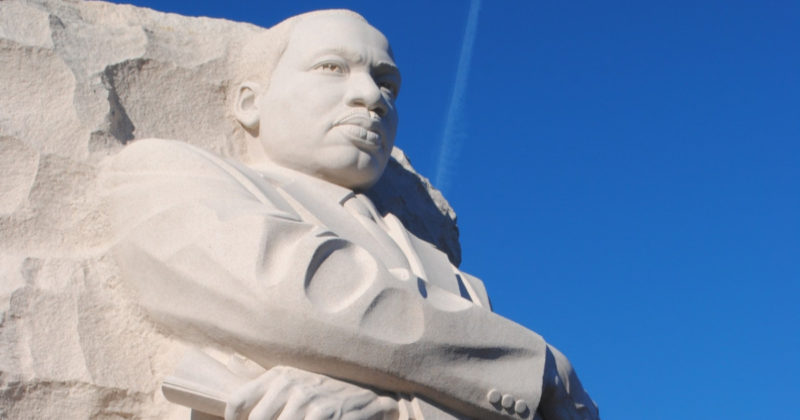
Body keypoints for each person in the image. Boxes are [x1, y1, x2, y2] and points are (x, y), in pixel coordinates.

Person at [101, 9, 598, 420]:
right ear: (251, 103)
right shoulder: (164, 173)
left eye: (387, 83)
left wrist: (397, 411)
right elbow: (292, 300)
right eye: (332, 68)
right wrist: (541, 367)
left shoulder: (457, 280)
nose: (373, 97)